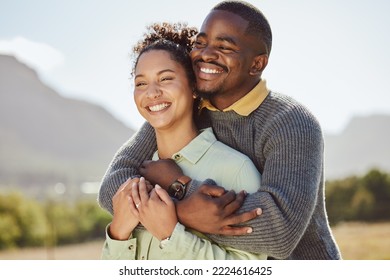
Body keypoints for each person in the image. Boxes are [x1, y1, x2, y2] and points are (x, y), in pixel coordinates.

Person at [98, 0, 342, 260]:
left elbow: (279, 233)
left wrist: (179, 193)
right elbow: (112, 188)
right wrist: (180, 211)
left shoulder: (291, 122)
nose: (206, 55)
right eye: (201, 43)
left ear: (257, 64)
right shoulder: (189, 109)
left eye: (224, 47)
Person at [101, 22, 266, 260]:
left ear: (194, 88)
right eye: (141, 83)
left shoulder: (236, 169)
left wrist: (171, 234)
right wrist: (118, 233)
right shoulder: (134, 182)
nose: (151, 92)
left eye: (166, 78)